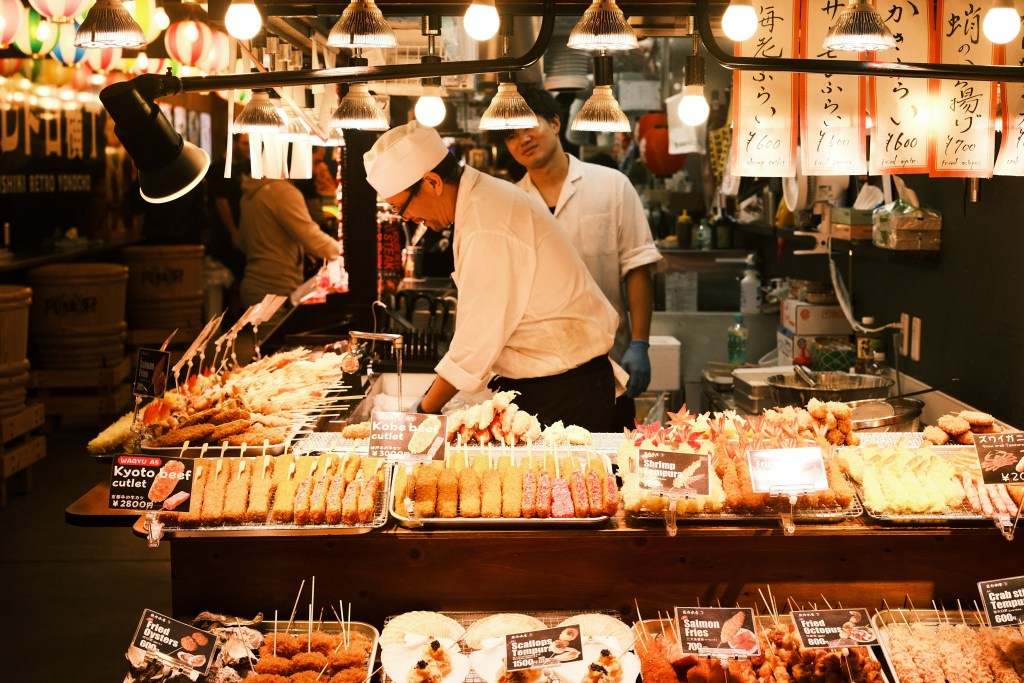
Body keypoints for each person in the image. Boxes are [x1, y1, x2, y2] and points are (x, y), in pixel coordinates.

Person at [363, 122, 621, 431]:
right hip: (555, 383)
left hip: (563, 394)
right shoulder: (479, 201)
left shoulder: (488, 223)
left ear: (432, 182)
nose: (407, 218)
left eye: (402, 207)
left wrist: (423, 411)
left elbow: (476, 341)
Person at [502, 88, 663, 428]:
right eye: (510, 136)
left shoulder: (612, 186)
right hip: (534, 377)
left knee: (611, 476)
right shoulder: (510, 204)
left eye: (528, 126)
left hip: (607, 370)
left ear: (555, 122)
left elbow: (637, 269)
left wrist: (640, 343)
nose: (522, 140)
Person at [238, 177, 340, 340]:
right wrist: (343, 253)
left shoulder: (249, 194)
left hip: (254, 285)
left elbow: (243, 241)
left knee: (266, 354)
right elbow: (311, 236)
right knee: (276, 354)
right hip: (274, 288)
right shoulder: (282, 191)